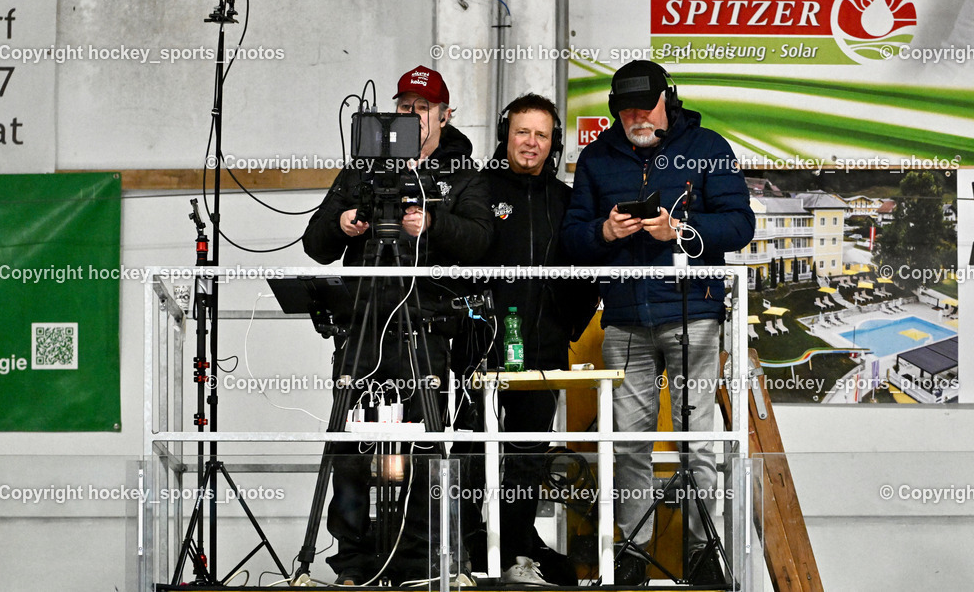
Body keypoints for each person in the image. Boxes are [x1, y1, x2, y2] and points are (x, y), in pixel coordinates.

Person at [561, 60, 754, 585]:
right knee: (629, 443)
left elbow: (741, 223)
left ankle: (700, 552)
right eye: (625, 110)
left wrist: (681, 230)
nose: (635, 118)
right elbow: (572, 239)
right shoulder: (597, 158)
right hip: (623, 320)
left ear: (668, 100)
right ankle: (633, 554)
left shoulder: (709, 147)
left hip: (695, 314)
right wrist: (604, 231)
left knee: (699, 442)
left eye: (644, 108)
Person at [303, 65, 493, 585]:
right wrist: (342, 224)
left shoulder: (462, 174)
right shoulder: (362, 170)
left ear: (445, 114)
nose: (413, 115)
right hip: (362, 326)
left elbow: (480, 243)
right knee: (350, 444)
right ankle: (353, 563)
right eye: (404, 106)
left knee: (426, 445)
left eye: (423, 107)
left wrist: (432, 220)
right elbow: (315, 245)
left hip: (426, 328)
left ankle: (417, 563)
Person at [452, 94, 597, 585]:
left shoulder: (565, 199)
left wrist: (565, 328)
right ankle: (467, 552)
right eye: (521, 132)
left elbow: (587, 271)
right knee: (474, 453)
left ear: (553, 143)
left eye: (541, 134)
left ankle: (516, 552)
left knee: (527, 456)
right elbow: (457, 262)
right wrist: (470, 328)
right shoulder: (477, 189)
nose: (530, 143)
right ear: (504, 135)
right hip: (481, 351)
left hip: (542, 354)